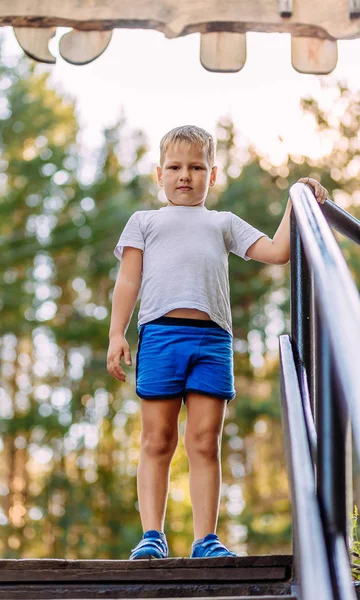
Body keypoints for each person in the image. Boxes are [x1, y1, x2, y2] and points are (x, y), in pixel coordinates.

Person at [107, 125, 328, 560]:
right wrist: (117, 333)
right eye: (174, 167)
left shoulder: (223, 223)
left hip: (212, 341)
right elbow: (127, 280)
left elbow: (278, 251)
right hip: (160, 337)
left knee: (205, 442)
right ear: (158, 173)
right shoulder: (144, 222)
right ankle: (152, 534)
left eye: (196, 167)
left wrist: (295, 200)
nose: (184, 175)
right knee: (158, 440)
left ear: (213, 174)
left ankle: (206, 539)